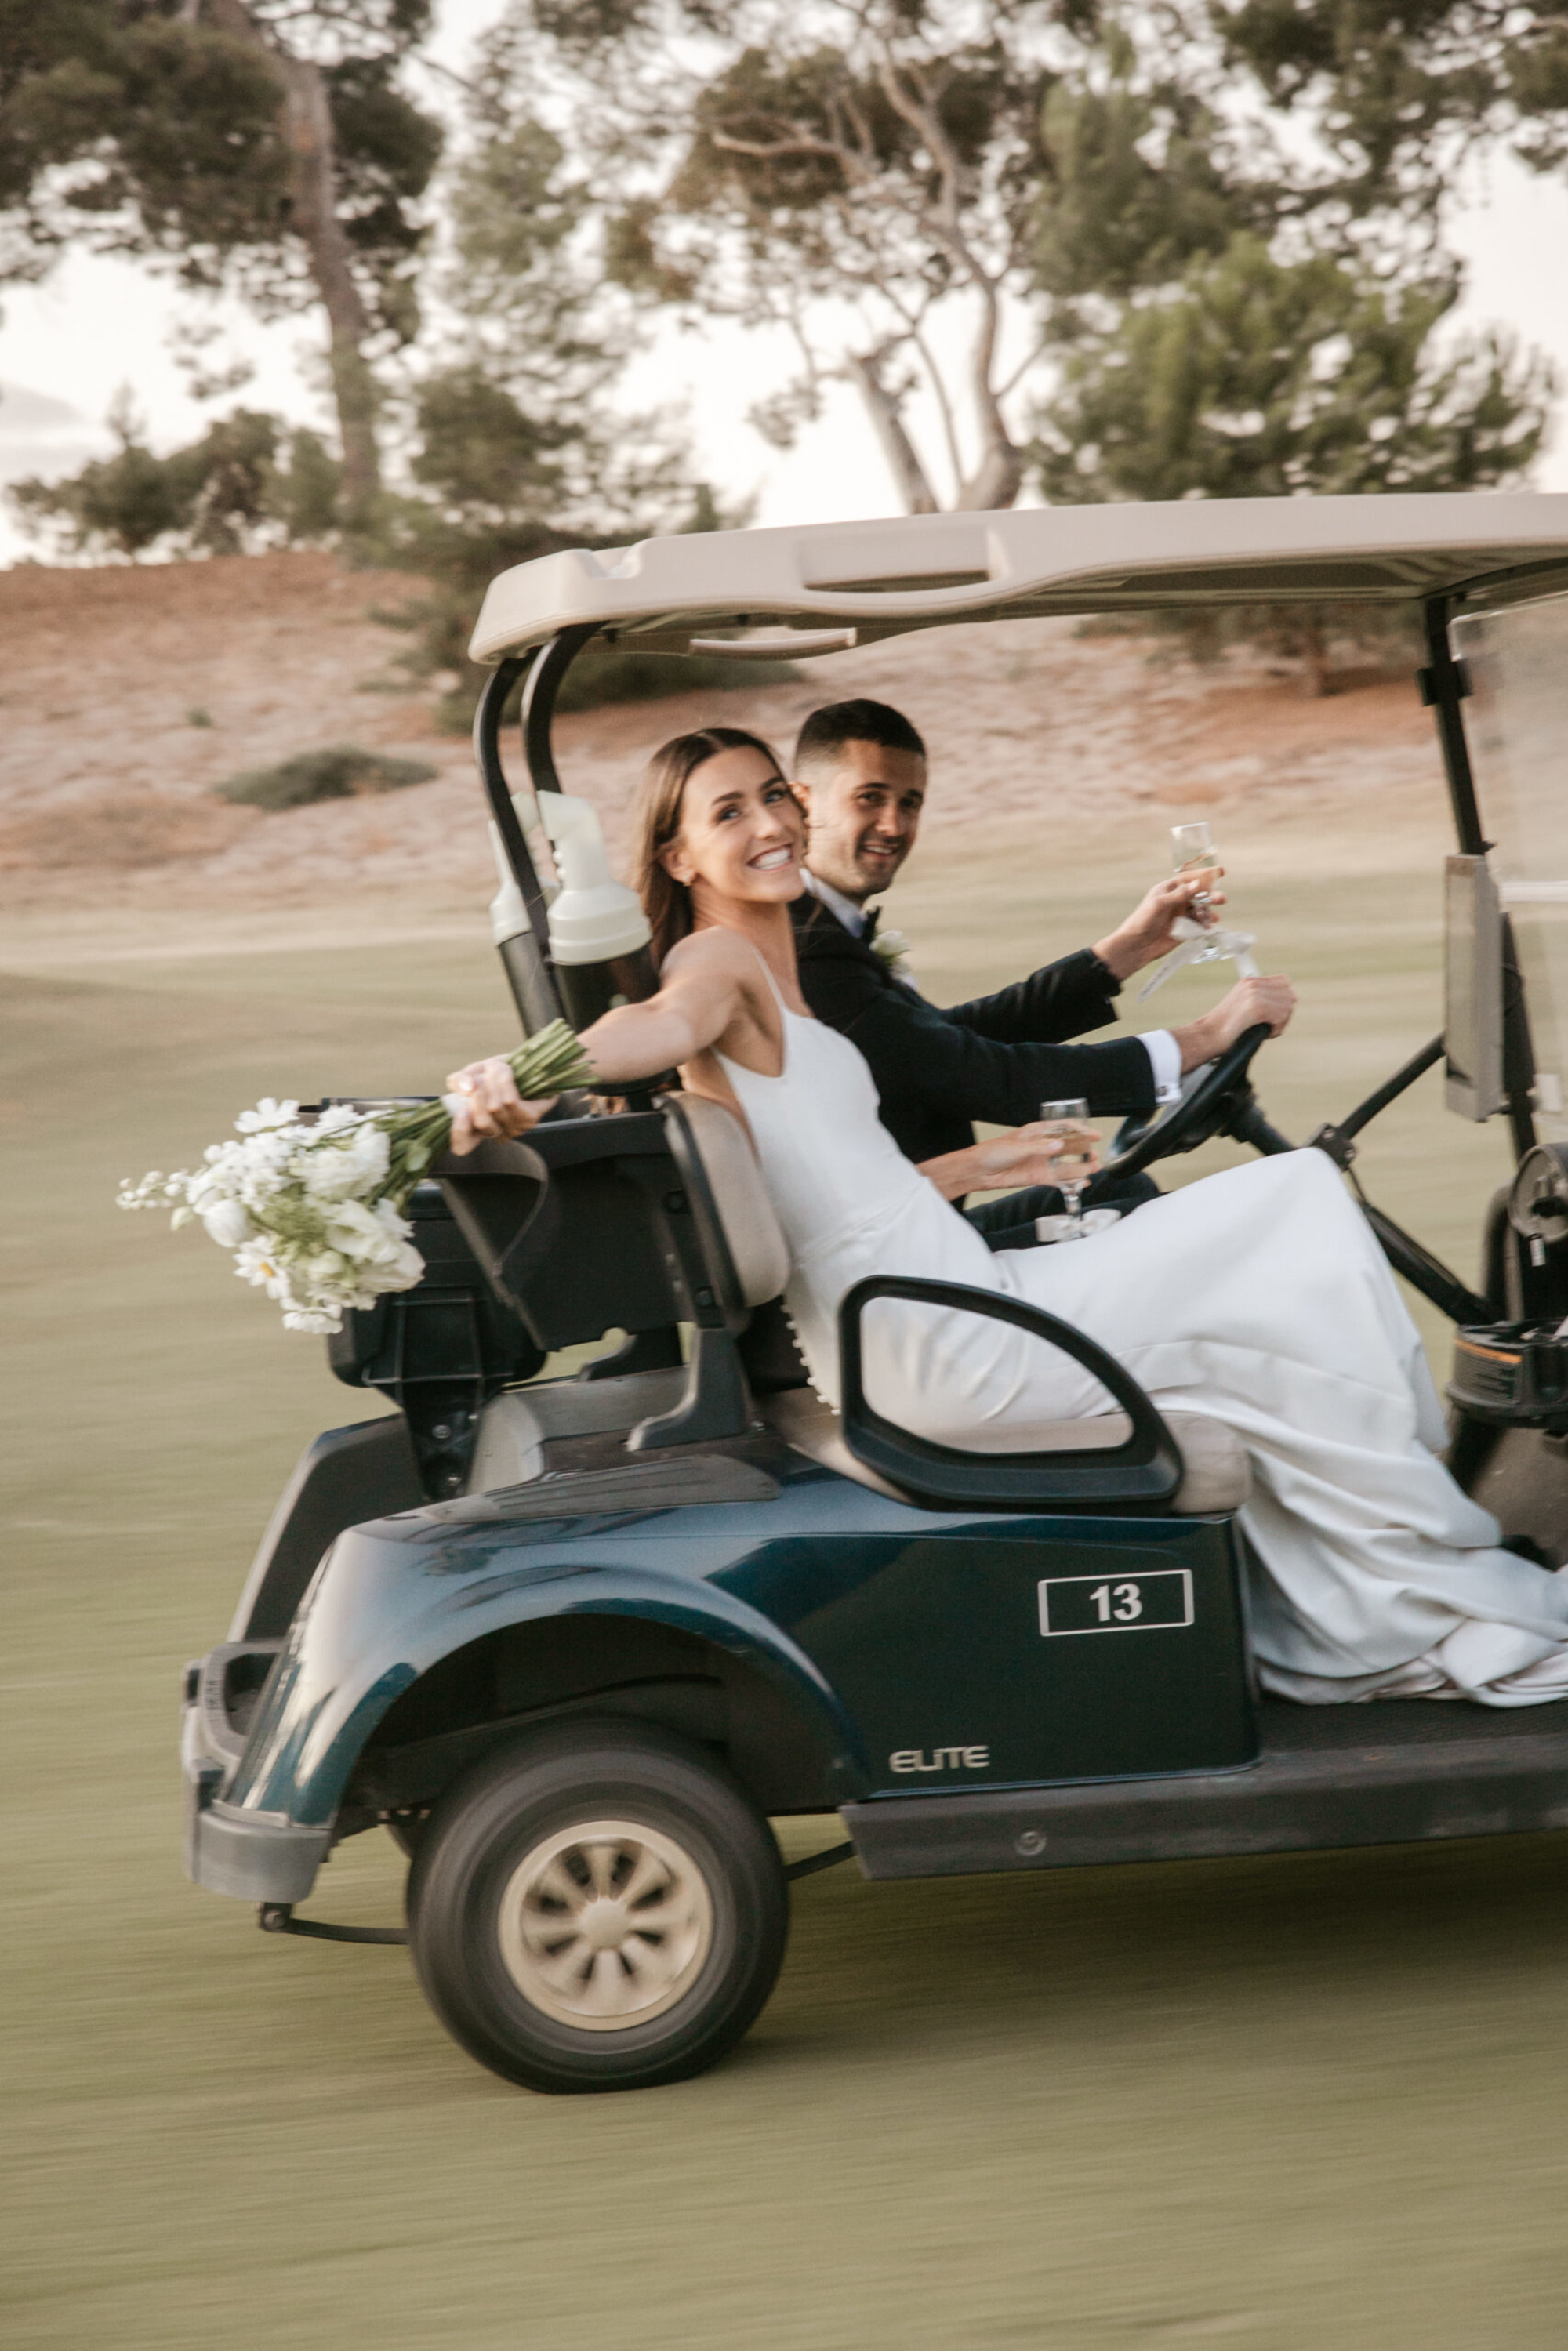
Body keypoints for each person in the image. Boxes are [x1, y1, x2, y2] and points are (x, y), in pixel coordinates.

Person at [447, 727, 1568, 1707]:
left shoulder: (790, 981)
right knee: (1296, 1206)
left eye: (776, 794)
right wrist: (530, 1077)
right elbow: (652, 1024)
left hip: (940, 1301)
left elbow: (835, 1184)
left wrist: (989, 1160)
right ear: (680, 857)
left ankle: (1382, 1610)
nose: (771, 823)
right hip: (945, 1337)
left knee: (1265, 1320)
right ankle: (1445, 1585)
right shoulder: (718, 961)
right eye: (727, 812)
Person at [787, 698, 1264, 1248]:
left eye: (910, 803)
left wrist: (1127, 950)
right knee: (1161, 1236)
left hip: (924, 1226)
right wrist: (1204, 1037)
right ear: (804, 800)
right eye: (870, 798)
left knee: (1122, 1193)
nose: (893, 824)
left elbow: (950, 1040)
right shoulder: (807, 948)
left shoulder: (825, 927)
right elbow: (985, 1077)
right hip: (888, 1256)